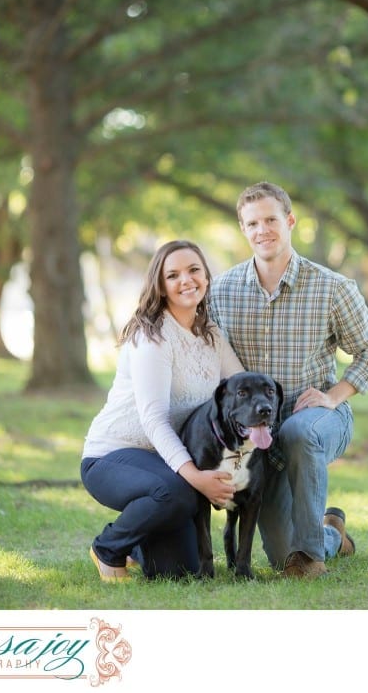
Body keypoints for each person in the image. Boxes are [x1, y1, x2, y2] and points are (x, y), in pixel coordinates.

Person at [208, 182, 368, 579]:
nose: (262, 230)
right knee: (278, 558)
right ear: (243, 229)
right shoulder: (221, 290)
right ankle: (329, 534)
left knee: (297, 432)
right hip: (260, 435)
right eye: (252, 223)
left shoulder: (332, 288)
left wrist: (335, 395)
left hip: (319, 420)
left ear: (290, 221)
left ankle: (311, 557)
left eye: (271, 219)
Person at [81, 240, 245, 581]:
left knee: (181, 571)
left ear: (206, 276)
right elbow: (153, 419)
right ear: (161, 285)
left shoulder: (210, 333)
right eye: (173, 275)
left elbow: (239, 387)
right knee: (180, 494)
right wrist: (198, 478)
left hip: (163, 463)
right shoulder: (152, 337)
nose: (186, 280)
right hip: (113, 455)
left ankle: (136, 545)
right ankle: (108, 547)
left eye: (193, 270)